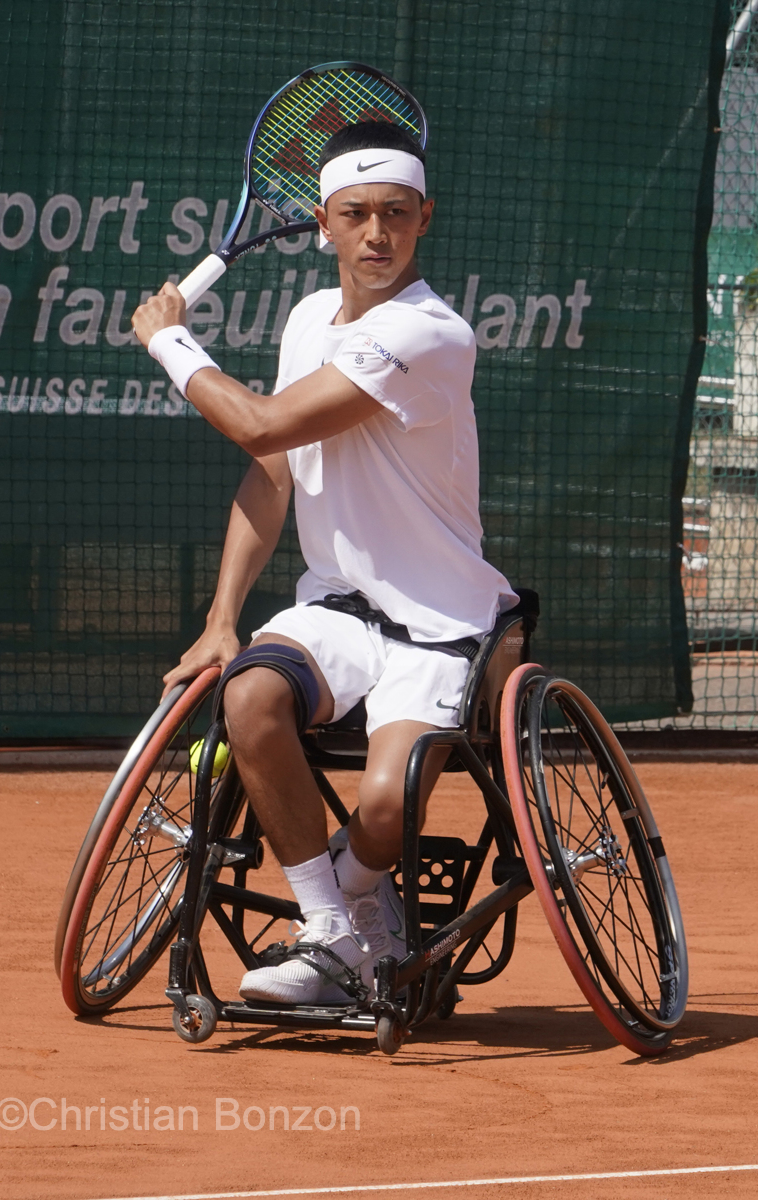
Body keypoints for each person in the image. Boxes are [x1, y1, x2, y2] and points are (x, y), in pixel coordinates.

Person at [132, 121, 517, 1005]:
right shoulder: (309, 318)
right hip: (338, 609)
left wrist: (169, 341)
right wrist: (223, 617)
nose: (377, 233)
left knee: (385, 810)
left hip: (440, 621)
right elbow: (273, 472)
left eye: (395, 214)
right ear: (324, 225)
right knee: (250, 695)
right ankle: (334, 936)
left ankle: (349, 899)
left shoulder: (433, 334)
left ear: (426, 218)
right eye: (356, 214)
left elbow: (262, 423)